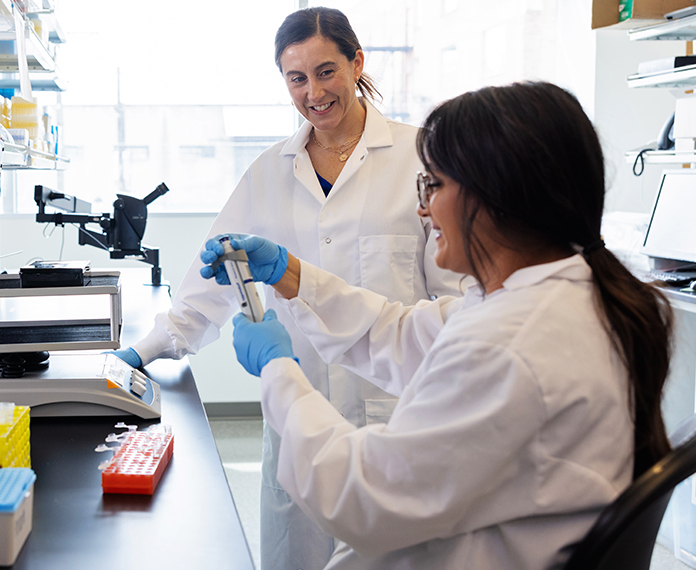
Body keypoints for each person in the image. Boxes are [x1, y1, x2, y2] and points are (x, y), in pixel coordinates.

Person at [200, 81, 674, 570]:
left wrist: (279, 371)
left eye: (434, 185)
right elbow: (402, 333)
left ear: (497, 197)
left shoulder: (513, 341)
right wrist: (290, 274)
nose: (423, 207)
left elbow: (361, 496)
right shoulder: (552, 297)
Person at [111, 7, 464, 569]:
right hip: (297, 404)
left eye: (326, 71)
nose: (314, 92)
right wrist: (145, 351)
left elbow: (458, 300)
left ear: (357, 63)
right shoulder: (270, 171)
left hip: (395, 416)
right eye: (296, 78)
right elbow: (215, 282)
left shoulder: (421, 157)